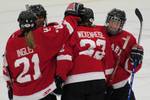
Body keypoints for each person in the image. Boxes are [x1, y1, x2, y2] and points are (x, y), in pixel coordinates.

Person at [2, 2, 85, 100]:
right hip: (43, 93)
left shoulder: (11, 40)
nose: (40, 19)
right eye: (37, 17)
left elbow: (6, 68)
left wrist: (9, 87)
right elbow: (66, 29)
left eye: (41, 16)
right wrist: (71, 14)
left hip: (19, 96)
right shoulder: (43, 35)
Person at [55, 7, 114, 100]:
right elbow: (109, 63)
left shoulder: (72, 33)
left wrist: (60, 78)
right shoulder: (101, 34)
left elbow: (65, 57)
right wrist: (108, 83)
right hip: (98, 81)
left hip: (75, 82)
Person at [103, 8, 144, 100]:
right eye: (112, 21)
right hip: (99, 86)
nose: (113, 25)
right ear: (107, 21)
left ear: (121, 25)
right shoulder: (98, 32)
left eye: (117, 23)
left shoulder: (129, 39)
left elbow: (132, 68)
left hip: (120, 86)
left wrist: (136, 59)